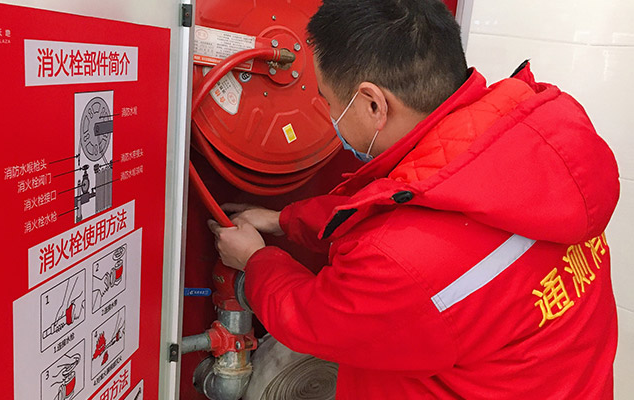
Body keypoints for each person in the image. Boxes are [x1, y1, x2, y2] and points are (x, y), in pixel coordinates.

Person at [207, 0, 620, 398]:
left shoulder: (400, 263)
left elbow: (313, 318)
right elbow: (410, 196)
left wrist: (255, 261)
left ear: (373, 105)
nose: (329, 113)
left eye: (328, 101)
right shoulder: (533, 141)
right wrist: (286, 220)